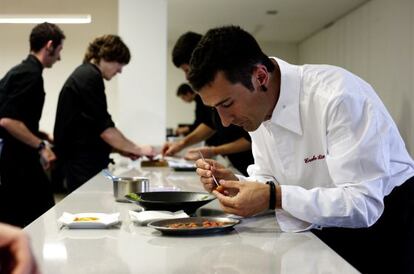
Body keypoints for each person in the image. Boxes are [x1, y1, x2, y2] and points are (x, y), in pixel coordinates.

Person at [190, 26, 414, 273]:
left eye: (227, 104)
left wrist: (272, 196)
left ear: (260, 77)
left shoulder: (338, 96)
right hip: (317, 227)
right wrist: (237, 184)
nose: (224, 121)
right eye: (215, 108)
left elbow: (363, 204)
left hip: (385, 226)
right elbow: (270, 177)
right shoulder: (256, 110)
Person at [53, 35, 154, 192]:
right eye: (119, 63)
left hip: (81, 165)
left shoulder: (86, 75)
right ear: (106, 56)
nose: (120, 70)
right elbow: (105, 130)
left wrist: (123, 149)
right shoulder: (89, 77)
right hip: (81, 168)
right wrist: (139, 149)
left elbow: (91, 129)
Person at [0, 22, 65, 227]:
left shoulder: (19, 71)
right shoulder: (30, 75)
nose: (59, 57)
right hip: (17, 160)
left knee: (25, 217)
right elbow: (8, 121)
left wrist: (42, 135)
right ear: (49, 45)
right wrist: (41, 146)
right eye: (59, 50)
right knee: (37, 215)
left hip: (13, 157)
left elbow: (17, 118)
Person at [164, 32, 254, 175]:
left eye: (187, 70)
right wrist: (181, 144)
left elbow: (250, 140)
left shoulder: (236, 89)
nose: (187, 77)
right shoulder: (208, 96)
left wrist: (213, 151)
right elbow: (209, 124)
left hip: (252, 164)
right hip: (240, 167)